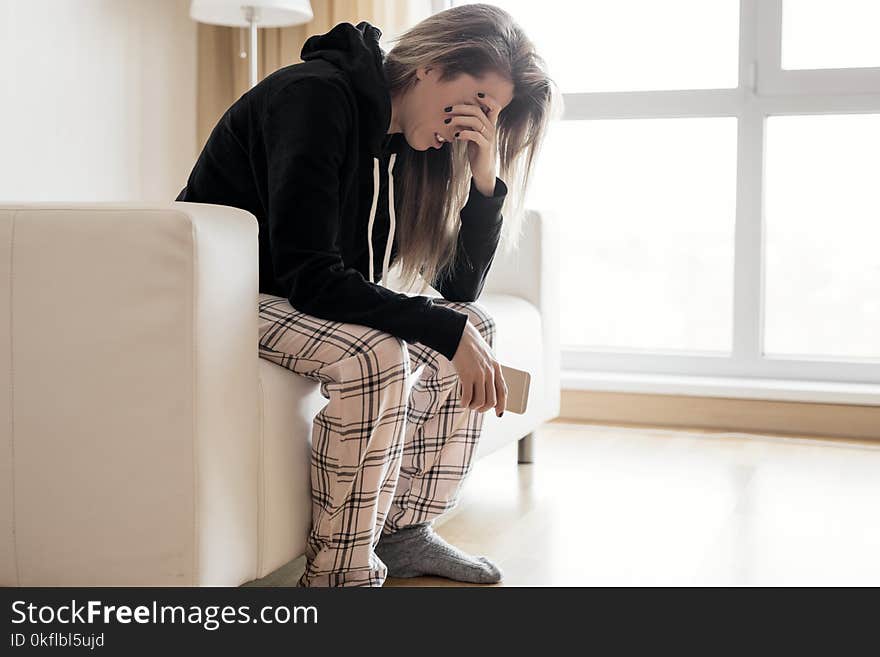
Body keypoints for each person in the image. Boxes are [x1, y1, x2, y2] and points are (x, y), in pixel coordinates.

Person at [175, 3, 558, 587]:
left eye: (495, 114)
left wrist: (485, 180)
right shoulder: (316, 97)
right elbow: (310, 273)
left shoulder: (408, 145)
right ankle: (339, 575)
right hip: (219, 297)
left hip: (292, 302)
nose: (478, 123)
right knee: (374, 357)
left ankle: (403, 533)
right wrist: (439, 327)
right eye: (480, 100)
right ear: (433, 66)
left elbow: (458, 289)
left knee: (472, 325)